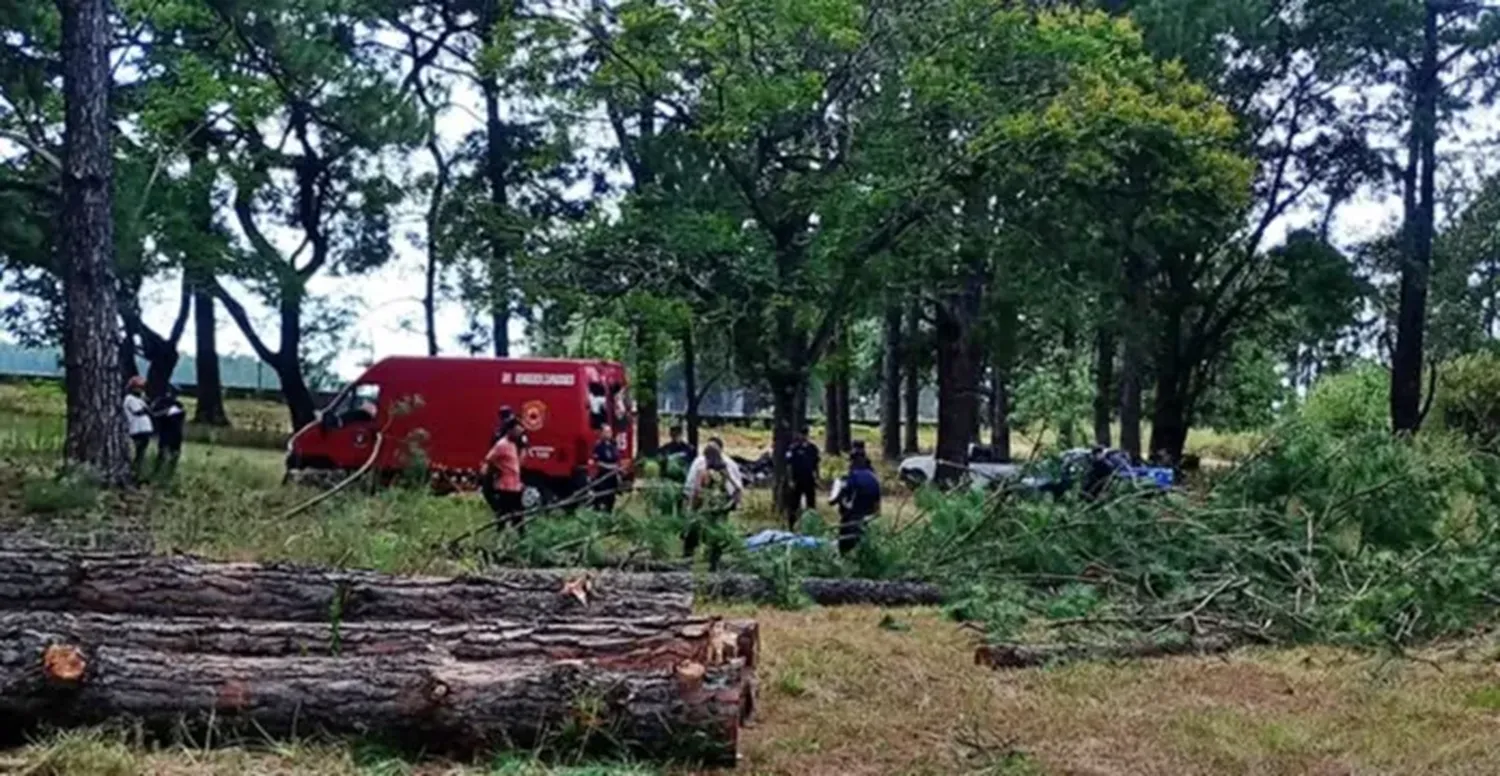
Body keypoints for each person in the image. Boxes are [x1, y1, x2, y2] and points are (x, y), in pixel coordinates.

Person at [682, 439, 744, 570]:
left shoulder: (703, 471)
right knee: (716, 536)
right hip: (720, 509)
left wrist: (692, 509)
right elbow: (737, 488)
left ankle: (687, 560)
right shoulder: (725, 471)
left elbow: (697, 492)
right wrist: (731, 503)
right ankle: (713, 564)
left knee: (694, 533)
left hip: (706, 509)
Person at [481, 419, 527, 533]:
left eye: (520, 432)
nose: (519, 434)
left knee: (518, 515)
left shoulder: (513, 444)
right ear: (510, 430)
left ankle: (519, 537)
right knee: (504, 515)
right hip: (505, 487)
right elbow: (488, 459)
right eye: (517, 431)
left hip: (515, 486)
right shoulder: (501, 445)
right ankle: (500, 537)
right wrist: (488, 477)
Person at [835, 451, 882, 555]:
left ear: (852, 462)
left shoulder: (852, 477)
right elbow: (877, 501)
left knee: (846, 545)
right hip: (869, 516)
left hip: (853, 516)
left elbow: (841, 498)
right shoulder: (873, 477)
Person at [785, 425, 820, 526]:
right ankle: (791, 524)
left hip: (809, 479)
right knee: (794, 503)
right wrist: (790, 479)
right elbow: (789, 465)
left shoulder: (812, 448)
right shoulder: (793, 448)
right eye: (802, 434)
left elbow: (815, 464)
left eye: (805, 434)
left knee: (811, 503)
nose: (804, 436)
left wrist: (817, 477)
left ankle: (811, 524)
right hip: (797, 479)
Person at [150, 385, 186, 479]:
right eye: (173, 392)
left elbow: (182, 418)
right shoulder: (161, 402)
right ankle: (156, 472)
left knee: (175, 454)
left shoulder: (178, 404)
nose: (174, 395)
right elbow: (154, 415)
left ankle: (170, 474)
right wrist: (166, 412)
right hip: (165, 431)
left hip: (176, 433)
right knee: (162, 453)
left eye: (176, 394)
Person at [123, 377, 154, 482]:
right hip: (137, 429)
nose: (140, 390)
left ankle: (137, 474)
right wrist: (146, 407)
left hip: (145, 429)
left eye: (141, 388)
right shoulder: (130, 399)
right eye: (138, 388)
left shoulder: (140, 400)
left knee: (141, 454)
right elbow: (139, 411)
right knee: (137, 453)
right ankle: (133, 474)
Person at [591, 426, 621, 513]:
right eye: (606, 432)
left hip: (612, 477)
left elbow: (616, 459)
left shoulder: (613, 445)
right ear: (602, 433)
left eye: (609, 432)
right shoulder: (598, 446)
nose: (608, 434)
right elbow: (597, 462)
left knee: (611, 498)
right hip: (602, 476)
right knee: (601, 497)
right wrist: (609, 467)